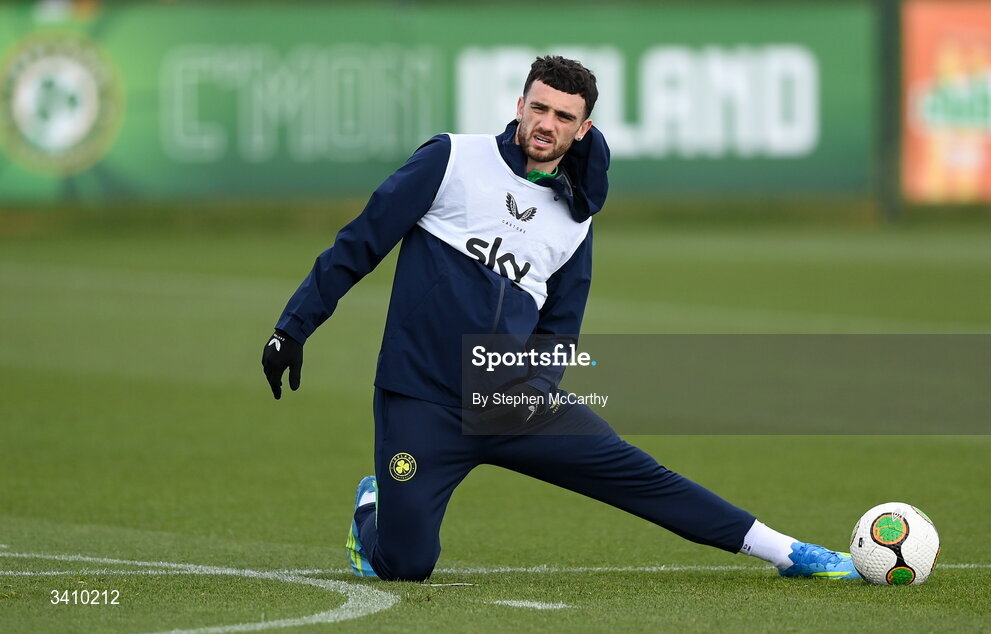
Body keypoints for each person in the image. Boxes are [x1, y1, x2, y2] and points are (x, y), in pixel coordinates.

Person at [261, 56, 859, 582]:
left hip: (513, 403)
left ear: (583, 128)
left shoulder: (576, 218)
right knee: (407, 564)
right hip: (421, 399)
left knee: (644, 478)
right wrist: (292, 328)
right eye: (539, 108)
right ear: (519, 105)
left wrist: (535, 388)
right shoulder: (451, 159)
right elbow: (359, 243)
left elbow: (561, 327)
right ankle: (374, 510)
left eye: (564, 116)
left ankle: (787, 551)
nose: (547, 124)